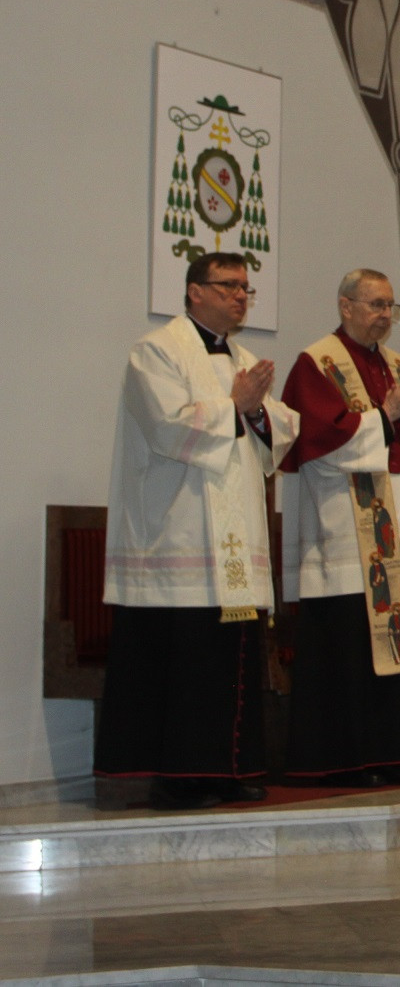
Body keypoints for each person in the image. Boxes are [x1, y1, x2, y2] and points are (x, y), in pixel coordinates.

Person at [96, 253, 299, 810]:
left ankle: (229, 770)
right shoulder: (156, 351)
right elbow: (166, 426)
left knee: (228, 660)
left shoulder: (245, 359)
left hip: (231, 543)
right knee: (185, 663)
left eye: (245, 288)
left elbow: (281, 429)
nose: (240, 296)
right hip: (177, 535)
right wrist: (235, 408)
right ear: (194, 292)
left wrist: (256, 413)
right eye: (228, 285)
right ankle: (179, 777)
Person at [279, 269, 400, 787]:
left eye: (391, 306)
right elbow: (318, 439)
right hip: (346, 535)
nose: (385, 315)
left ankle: (392, 752)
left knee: (396, 644)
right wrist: (385, 415)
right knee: (350, 650)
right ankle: (344, 760)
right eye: (376, 304)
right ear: (345, 305)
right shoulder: (317, 363)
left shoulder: (397, 365)